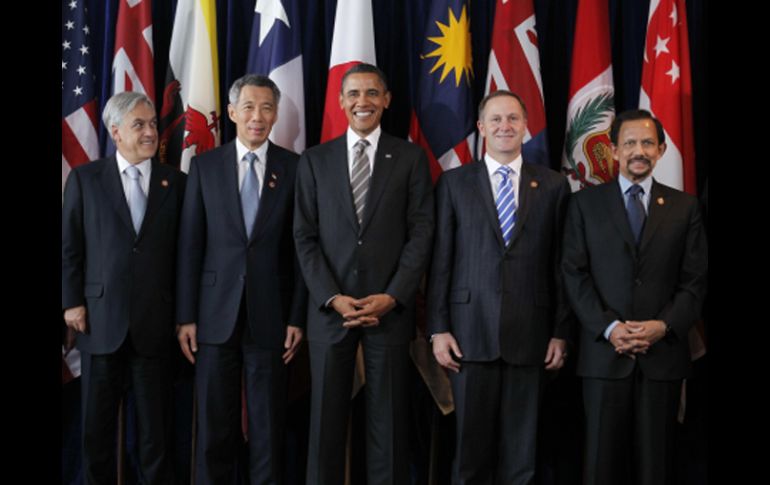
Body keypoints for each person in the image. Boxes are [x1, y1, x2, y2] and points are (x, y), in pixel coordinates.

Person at [293, 63, 434, 485]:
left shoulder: (409, 158)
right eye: (353, 94)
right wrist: (331, 297)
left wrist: (392, 296)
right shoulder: (315, 160)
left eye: (372, 93)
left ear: (387, 100)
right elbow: (304, 236)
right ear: (340, 101)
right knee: (324, 425)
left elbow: (421, 232)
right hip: (329, 312)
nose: (363, 102)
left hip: (387, 311)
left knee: (388, 426)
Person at [426, 90, 571, 485]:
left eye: (512, 119)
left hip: (532, 334)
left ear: (526, 127)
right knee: (469, 457)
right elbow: (441, 261)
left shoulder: (554, 185)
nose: (504, 126)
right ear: (481, 128)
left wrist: (560, 331)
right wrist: (438, 328)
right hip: (468, 335)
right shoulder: (455, 183)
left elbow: (562, 265)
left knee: (522, 458)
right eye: (496, 120)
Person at [561, 109, 708, 485]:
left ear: (660, 150)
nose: (638, 151)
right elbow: (573, 275)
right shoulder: (583, 204)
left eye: (647, 143)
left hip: (662, 357)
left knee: (655, 467)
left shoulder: (685, 207)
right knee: (599, 466)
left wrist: (663, 325)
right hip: (603, 356)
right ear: (613, 151)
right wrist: (608, 326)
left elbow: (694, 281)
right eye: (629, 143)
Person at [175, 74, 307, 484]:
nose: (257, 116)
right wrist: (186, 316)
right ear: (231, 112)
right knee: (215, 425)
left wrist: (297, 317)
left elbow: (302, 250)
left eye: (267, 107)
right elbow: (190, 246)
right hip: (213, 317)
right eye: (248, 107)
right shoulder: (204, 167)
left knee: (268, 427)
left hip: (272, 316)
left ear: (276, 113)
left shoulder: (296, 167)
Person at [62, 91, 185, 484]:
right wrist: (71, 303)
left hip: (155, 324)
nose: (151, 132)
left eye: (152, 124)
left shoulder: (176, 183)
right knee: (96, 434)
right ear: (115, 132)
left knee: (155, 436)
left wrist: (184, 315)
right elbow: (69, 246)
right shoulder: (85, 178)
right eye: (139, 125)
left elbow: (187, 255)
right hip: (99, 322)